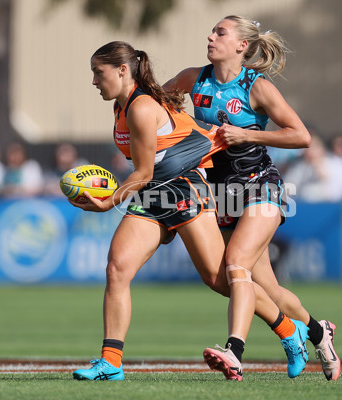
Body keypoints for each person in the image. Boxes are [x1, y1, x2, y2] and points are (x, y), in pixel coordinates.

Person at [70, 41, 309, 382]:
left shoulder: (139, 108)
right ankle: (111, 361)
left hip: (183, 188)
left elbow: (143, 173)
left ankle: (290, 331)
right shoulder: (121, 108)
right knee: (116, 269)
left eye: (99, 72)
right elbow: (149, 169)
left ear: (123, 70)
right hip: (154, 193)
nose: (94, 81)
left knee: (219, 280)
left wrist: (108, 201)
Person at [164, 15, 340, 381]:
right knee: (268, 290)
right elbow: (158, 107)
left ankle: (234, 352)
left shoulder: (256, 87)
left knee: (236, 263)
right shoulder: (192, 79)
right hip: (222, 193)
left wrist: (250, 136)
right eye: (212, 31)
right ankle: (318, 333)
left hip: (261, 185)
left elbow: (301, 136)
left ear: (242, 46)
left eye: (220, 33)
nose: (210, 36)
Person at [284, 135, 332, 202]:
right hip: (302, 202)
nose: (309, 151)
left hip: (323, 203)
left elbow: (325, 177)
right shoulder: (299, 165)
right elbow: (289, 184)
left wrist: (316, 164)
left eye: (313, 147)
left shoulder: (329, 162)